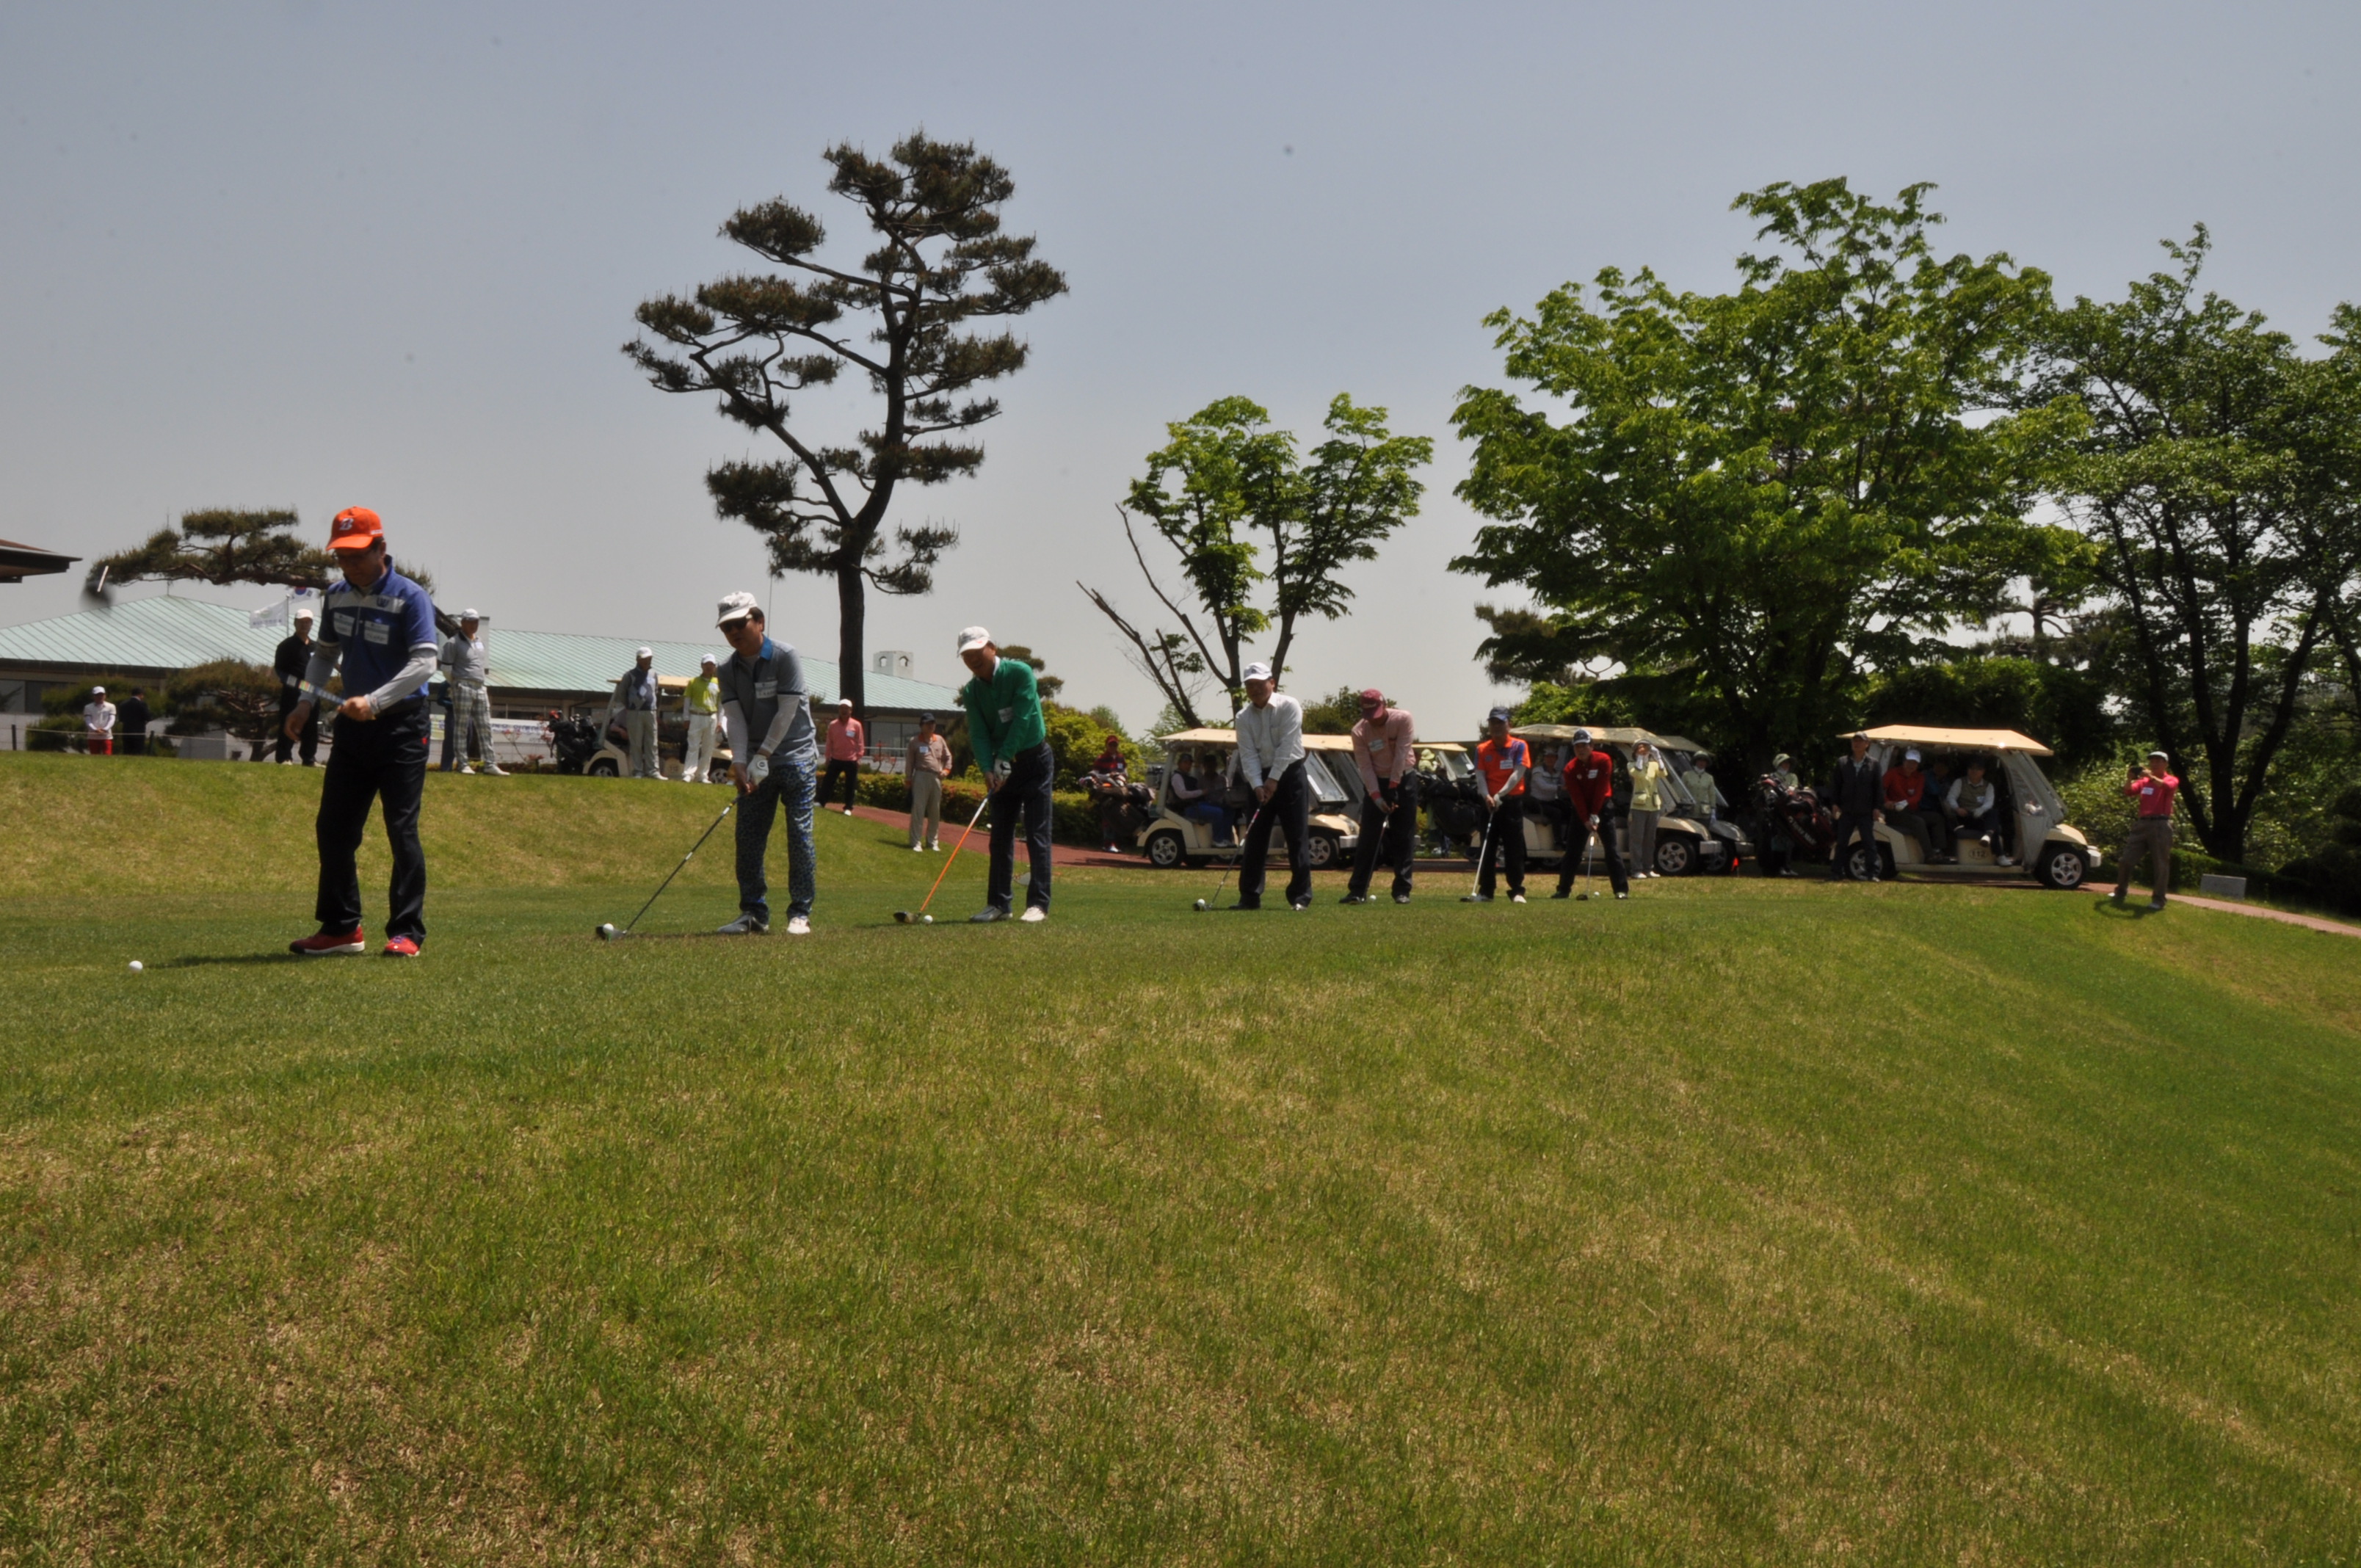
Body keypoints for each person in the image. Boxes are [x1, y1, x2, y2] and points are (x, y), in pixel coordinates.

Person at [284, 506, 438, 957]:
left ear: (380, 548)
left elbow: (425, 663)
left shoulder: (411, 597)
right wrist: (305, 703)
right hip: (354, 729)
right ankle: (341, 927)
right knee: (334, 827)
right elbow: (325, 654)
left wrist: (375, 701)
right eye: (341, 556)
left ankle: (406, 932)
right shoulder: (335, 596)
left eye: (356, 555)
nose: (348, 565)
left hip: (403, 727)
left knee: (401, 829)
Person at [714, 593, 818, 935]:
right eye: (726, 628)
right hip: (756, 761)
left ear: (759, 622)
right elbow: (735, 718)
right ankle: (754, 914)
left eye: (739, 624)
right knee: (748, 838)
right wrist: (740, 762)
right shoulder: (726, 669)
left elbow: (787, 711)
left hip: (796, 757)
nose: (733, 632)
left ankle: (800, 913)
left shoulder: (786, 656)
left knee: (799, 836)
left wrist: (763, 756)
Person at [957, 626, 1054, 922]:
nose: (973, 659)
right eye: (967, 656)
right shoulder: (972, 691)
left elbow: (1023, 718)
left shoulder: (1020, 673)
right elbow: (979, 733)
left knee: (1037, 834)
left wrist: (1003, 757)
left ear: (992, 648)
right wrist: (987, 768)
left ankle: (1038, 904)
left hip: (1034, 760)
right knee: (999, 836)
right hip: (1001, 768)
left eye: (977, 652)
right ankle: (999, 904)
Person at [1231, 661, 1312, 912]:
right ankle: (1249, 897)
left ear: (1272, 683)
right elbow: (1248, 754)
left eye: (1259, 683)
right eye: (1250, 685)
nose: (1255, 689)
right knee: (1255, 838)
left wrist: (1274, 779)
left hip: (1290, 774)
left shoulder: (1289, 705)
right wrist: (1257, 784)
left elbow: (1287, 747)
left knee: (1296, 837)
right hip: (1259, 778)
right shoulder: (1243, 717)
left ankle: (1300, 897)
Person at [1343, 689, 1417, 904]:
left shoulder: (1403, 719)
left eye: (1375, 714)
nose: (1373, 720)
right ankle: (1357, 891)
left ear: (1383, 706)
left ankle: (1402, 890)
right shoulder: (1359, 731)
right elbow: (1365, 767)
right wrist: (1377, 797)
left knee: (1404, 837)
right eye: (1368, 715)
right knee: (1369, 838)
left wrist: (1394, 787)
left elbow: (1402, 754)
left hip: (1404, 779)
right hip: (1376, 782)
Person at [1552, 727, 1631, 899]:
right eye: (1577, 746)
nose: (1581, 749)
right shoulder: (1570, 769)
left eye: (1584, 745)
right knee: (1573, 851)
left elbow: (1601, 789)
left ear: (1592, 746)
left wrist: (1595, 814)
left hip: (1603, 807)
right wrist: (1586, 818)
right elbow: (1577, 796)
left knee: (1611, 850)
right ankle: (1563, 889)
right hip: (1581, 811)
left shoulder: (1603, 760)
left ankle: (1621, 890)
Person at [1465, 708, 1531, 903]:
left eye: (1500, 722)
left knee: (1514, 848)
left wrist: (1500, 795)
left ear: (1509, 724)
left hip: (1511, 802)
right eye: (1493, 722)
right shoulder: (1482, 749)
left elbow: (1517, 773)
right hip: (1489, 804)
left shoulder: (1519, 746)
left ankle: (1517, 891)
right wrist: (1487, 796)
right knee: (1487, 847)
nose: (1496, 726)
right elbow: (1480, 776)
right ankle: (1486, 891)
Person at [2112, 750, 2180, 910]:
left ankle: (2159, 900)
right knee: (2126, 860)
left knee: (2160, 864)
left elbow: (2167, 786)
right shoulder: (2144, 782)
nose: (2154, 764)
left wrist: (2150, 776)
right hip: (2142, 824)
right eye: (2152, 761)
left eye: (2158, 761)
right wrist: (2129, 778)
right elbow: (2129, 791)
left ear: (2165, 764)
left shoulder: (2171, 779)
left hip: (2160, 824)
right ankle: (2120, 891)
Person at [439, 610, 504, 775]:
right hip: (463, 685)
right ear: (463, 623)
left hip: (480, 686)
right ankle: (463, 764)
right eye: (470, 621)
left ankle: (490, 764)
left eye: (476, 621)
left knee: (485, 726)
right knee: (461, 727)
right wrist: (456, 684)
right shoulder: (453, 643)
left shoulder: (480, 642)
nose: (474, 625)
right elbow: (446, 668)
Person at [1825, 731, 1885, 882]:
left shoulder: (1874, 764)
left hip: (1865, 810)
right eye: (1854, 741)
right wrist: (1835, 803)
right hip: (1847, 810)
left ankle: (1872, 873)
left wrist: (1877, 807)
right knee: (1842, 842)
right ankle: (1836, 872)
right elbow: (1836, 785)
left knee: (1869, 842)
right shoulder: (1843, 762)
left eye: (1860, 741)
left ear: (1867, 744)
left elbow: (1878, 787)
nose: (1856, 744)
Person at [273, 609, 320, 766]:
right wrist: (296, 684)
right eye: (301, 622)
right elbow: (280, 670)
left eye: (307, 622)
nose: (304, 625)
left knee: (311, 726)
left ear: (311, 624)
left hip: (312, 692)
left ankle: (309, 758)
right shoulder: (286, 646)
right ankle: (284, 757)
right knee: (289, 722)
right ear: (295, 623)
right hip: (292, 692)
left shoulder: (315, 646)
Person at [1881, 748, 1942, 863]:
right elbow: (1879, 790)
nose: (1911, 765)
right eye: (1909, 762)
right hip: (1895, 813)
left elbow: (1917, 797)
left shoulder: (1919, 777)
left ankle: (1938, 851)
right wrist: (1887, 802)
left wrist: (1905, 803)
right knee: (1918, 822)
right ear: (1904, 761)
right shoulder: (1892, 773)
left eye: (1915, 763)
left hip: (1911, 811)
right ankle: (1929, 855)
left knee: (1936, 818)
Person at [611, 649, 660, 779]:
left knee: (652, 742)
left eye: (649, 658)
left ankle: (653, 770)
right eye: (644, 659)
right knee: (636, 742)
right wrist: (630, 706)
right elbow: (622, 693)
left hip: (651, 712)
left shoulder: (654, 673)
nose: (648, 661)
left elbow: (655, 691)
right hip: (635, 712)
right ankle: (638, 771)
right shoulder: (629, 675)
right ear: (638, 659)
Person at [905, 712, 951, 850]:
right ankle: (916, 842)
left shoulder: (940, 740)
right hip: (921, 775)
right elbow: (910, 762)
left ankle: (932, 842)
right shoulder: (914, 741)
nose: (931, 726)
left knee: (935, 811)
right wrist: (908, 779)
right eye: (928, 723)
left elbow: (948, 757)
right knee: (919, 810)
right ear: (922, 725)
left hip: (936, 777)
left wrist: (946, 770)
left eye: (933, 723)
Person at [1167, 750, 1233, 844]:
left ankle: (1226, 838)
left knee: (1228, 810)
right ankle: (1217, 840)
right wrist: (1202, 792)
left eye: (1190, 764)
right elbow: (1183, 794)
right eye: (1185, 763)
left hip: (1196, 804)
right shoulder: (1177, 777)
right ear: (1179, 763)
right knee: (1218, 812)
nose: (1188, 766)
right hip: (1188, 808)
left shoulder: (1188, 777)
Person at [1626, 741, 1669, 878]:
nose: (1644, 751)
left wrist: (1658, 757)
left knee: (1650, 840)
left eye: (1646, 749)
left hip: (1653, 806)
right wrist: (1640, 758)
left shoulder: (1653, 765)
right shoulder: (1631, 764)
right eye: (1640, 749)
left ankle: (1648, 868)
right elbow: (1638, 774)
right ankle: (1636, 870)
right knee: (1637, 839)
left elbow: (1664, 773)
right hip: (1638, 806)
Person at [1947, 758, 2004, 857]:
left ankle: (1988, 835)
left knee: (1993, 813)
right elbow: (1950, 798)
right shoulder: (1960, 782)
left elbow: (1989, 803)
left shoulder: (1988, 786)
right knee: (1994, 828)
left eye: (1978, 769)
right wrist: (1957, 808)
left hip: (1981, 817)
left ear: (1983, 771)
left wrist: (1981, 810)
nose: (1974, 771)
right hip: (1965, 817)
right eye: (1972, 768)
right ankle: (2000, 855)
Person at [1084, 736, 1131, 852]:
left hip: (1119, 790)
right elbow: (1095, 774)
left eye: (1115, 745)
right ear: (1107, 745)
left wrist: (1121, 776)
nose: (1113, 747)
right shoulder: (1101, 758)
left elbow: (1125, 772)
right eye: (1111, 745)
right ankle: (1108, 843)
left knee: (1120, 815)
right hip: (1106, 790)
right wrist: (1108, 776)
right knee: (1108, 816)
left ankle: (1117, 843)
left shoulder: (1121, 758)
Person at [681, 654, 722, 784]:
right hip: (696, 716)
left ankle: (703, 775)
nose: (709, 667)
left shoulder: (718, 683)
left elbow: (721, 704)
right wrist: (686, 718)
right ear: (702, 666)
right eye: (707, 664)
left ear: (715, 667)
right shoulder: (694, 682)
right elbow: (687, 701)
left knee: (708, 748)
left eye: (712, 665)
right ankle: (689, 774)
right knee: (693, 746)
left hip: (712, 716)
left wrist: (720, 721)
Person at [821, 699, 864, 815]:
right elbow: (829, 742)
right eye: (842, 708)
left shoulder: (856, 725)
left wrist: (859, 757)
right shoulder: (833, 725)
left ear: (850, 710)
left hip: (851, 760)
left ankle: (848, 808)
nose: (844, 711)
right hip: (836, 759)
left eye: (846, 708)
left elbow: (860, 742)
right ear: (839, 710)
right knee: (828, 782)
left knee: (850, 785)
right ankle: (821, 802)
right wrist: (827, 757)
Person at [1678, 751, 1723, 822]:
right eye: (1699, 760)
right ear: (1696, 761)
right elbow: (1681, 791)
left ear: (1706, 763)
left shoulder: (1709, 778)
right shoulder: (1687, 775)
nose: (1702, 763)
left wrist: (1713, 810)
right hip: (1689, 811)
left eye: (1704, 761)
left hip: (1704, 812)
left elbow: (1712, 794)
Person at [81, 686, 115, 755]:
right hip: (93, 736)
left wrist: (105, 729)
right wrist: (95, 730)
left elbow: (112, 720)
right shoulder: (88, 707)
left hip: (107, 736)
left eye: (102, 695)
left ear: (105, 695)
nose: (100, 697)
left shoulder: (111, 706)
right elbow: (88, 721)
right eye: (97, 695)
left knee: (107, 755)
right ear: (94, 696)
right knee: (94, 756)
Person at [117, 687, 150, 757]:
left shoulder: (123, 704)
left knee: (127, 752)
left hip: (126, 731)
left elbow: (121, 719)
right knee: (138, 752)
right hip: (139, 732)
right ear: (141, 694)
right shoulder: (142, 704)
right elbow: (148, 717)